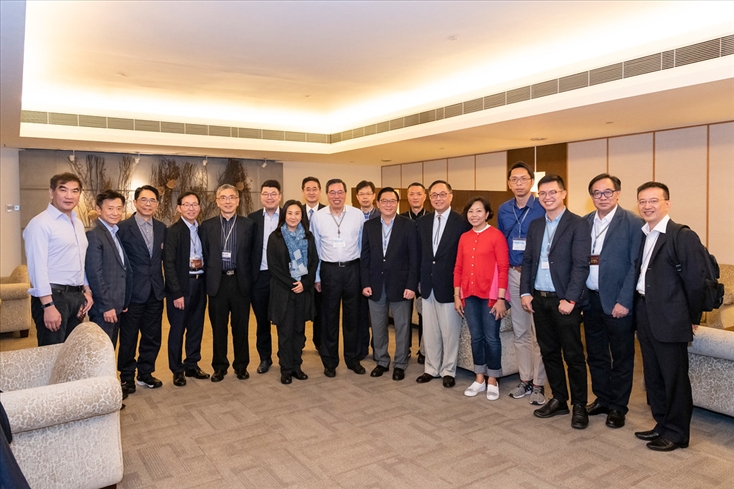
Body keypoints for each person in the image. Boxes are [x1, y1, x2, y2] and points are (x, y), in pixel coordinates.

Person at [633, 182, 707, 452]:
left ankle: (677, 433)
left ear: (667, 203)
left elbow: (696, 282)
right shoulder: (644, 234)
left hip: (671, 317)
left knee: (674, 377)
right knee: (653, 375)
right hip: (645, 312)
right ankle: (662, 424)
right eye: (642, 201)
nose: (647, 206)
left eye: (653, 200)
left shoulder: (681, 235)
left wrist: (692, 317)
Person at [520, 174, 590, 429]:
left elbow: (581, 265)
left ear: (563, 194)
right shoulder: (536, 225)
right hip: (540, 299)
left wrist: (570, 298)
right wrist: (525, 292)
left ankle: (579, 404)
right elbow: (528, 260)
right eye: (543, 193)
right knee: (548, 352)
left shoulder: (578, 224)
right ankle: (559, 399)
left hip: (564, 302)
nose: (547, 197)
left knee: (573, 355)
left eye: (553, 192)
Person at [582, 174, 642, 429]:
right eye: (597, 193)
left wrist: (625, 301)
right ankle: (603, 399)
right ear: (592, 197)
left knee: (622, 357)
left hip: (618, 302)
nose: (602, 197)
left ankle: (618, 406)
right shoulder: (585, 222)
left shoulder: (632, 222)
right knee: (595, 354)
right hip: (591, 300)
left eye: (607, 192)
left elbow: (635, 265)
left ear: (617, 193)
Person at [497, 162, 547, 405]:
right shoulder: (504, 209)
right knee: (520, 331)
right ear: (509, 183)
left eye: (523, 179)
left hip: (537, 276)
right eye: (514, 179)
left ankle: (539, 383)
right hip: (513, 274)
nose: (519, 183)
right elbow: (500, 244)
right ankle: (525, 379)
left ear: (531, 182)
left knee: (539, 334)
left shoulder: (542, 206)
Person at [24, 172, 93, 346]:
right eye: (63, 190)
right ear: (51, 193)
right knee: (52, 354)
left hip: (77, 296)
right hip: (54, 297)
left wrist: (87, 290)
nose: (69, 196)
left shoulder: (77, 223)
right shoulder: (40, 224)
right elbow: (37, 268)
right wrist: (48, 306)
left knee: (71, 352)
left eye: (75, 191)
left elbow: (80, 260)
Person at [415, 180, 471, 388]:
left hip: (450, 286)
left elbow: (464, 257)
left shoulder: (461, 222)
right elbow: (419, 254)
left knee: (449, 332)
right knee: (430, 331)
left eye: (442, 194)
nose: (438, 198)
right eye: (434, 195)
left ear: (451, 196)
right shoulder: (422, 222)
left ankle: (448, 370)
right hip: (427, 284)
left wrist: (461, 287)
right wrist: (418, 280)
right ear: (429, 198)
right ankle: (431, 368)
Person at [361, 187, 419, 381]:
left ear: (397, 203)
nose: (388, 204)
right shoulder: (369, 226)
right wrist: (365, 282)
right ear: (378, 203)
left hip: (401, 285)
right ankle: (382, 361)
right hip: (375, 284)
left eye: (392, 201)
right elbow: (365, 257)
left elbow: (414, 258)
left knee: (402, 326)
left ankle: (400, 363)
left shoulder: (408, 225)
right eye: (384, 201)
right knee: (378, 326)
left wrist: (411, 285)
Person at [454, 197, 510, 400]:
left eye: (479, 211)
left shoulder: (496, 236)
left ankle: (493, 379)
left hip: (491, 296)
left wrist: (501, 298)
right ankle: (479, 378)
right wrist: (457, 295)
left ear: (487, 214)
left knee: (491, 338)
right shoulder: (464, 237)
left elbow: (503, 268)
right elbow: (458, 267)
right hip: (469, 294)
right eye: (471, 211)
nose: (474, 215)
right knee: (475, 337)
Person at [310, 178, 366, 377]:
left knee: (353, 318)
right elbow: (315, 248)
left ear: (345, 194)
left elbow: (363, 245)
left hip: (353, 269)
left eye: (340, 192)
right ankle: (329, 362)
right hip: (329, 271)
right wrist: (317, 276)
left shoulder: (357, 215)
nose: (336, 196)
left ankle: (353, 359)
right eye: (332, 192)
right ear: (327, 195)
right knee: (328, 318)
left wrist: (363, 275)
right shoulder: (318, 217)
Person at [200, 184, 255, 382]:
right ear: (217, 201)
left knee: (241, 327)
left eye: (232, 197)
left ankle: (241, 366)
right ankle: (220, 367)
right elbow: (205, 254)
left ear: (238, 201)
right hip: (218, 282)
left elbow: (253, 255)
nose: (228, 201)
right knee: (218, 328)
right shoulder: (207, 226)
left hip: (240, 281)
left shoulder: (249, 225)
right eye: (223, 197)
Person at [117, 185, 166, 394]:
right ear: (135, 202)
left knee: (152, 336)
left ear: (157, 204)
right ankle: (126, 377)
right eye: (144, 200)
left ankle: (145, 373)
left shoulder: (162, 228)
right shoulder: (122, 228)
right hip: (133, 293)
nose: (148, 204)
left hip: (156, 291)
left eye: (152, 200)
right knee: (129, 337)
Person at [267, 200, 319, 384]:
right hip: (284, 292)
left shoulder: (308, 236)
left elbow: (314, 262)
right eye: (289, 213)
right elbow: (273, 266)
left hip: (303, 291)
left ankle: (297, 366)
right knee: (285, 332)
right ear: (284, 215)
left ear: (301, 216)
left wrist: (304, 283)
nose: (293, 217)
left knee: (299, 331)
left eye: (297, 213)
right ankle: (286, 369)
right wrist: (292, 283)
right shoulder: (275, 237)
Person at [164, 192, 210, 387]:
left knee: (196, 327)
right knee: (177, 329)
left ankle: (192, 364)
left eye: (194, 204)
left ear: (199, 207)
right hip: (183, 286)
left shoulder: (203, 229)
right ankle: (177, 370)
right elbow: (169, 264)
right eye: (186, 204)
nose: (191, 208)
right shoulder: (173, 231)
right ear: (179, 208)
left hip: (200, 283)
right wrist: (177, 292)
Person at [85, 189, 133, 346]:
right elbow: (94, 273)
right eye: (110, 208)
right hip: (104, 308)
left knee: (110, 349)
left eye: (119, 208)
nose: (115, 213)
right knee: (101, 351)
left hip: (116, 304)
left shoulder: (114, 232)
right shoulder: (94, 235)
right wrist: (106, 306)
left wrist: (123, 301)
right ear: (98, 210)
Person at [248, 180, 282, 374]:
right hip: (259, 277)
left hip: (282, 279)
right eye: (266, 194)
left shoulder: (288, 216)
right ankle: (265, 358)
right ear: (261, 196)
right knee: (262, 322)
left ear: (279, 196)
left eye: (273, 194)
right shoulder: (252, 219)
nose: (269, 197)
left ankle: (285, 357)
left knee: (283, 320)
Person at [400, 182, 428, 364]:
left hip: (425, 272)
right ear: (407, 197)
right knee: (404, 314)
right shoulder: (400, 219)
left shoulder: (431, 218)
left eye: (419, 194)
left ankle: (424, 350)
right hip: (405, 273)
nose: (415, 197)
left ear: (425, 196)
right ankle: (405, 349)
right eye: (411, 194)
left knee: (425, 314)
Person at [301, 176, 326, 350]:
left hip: (322, 268)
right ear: (303, 191)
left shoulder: (328, 211)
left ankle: (320, 342)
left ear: (320, 191)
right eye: (308, 189)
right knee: (299, 307)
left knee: (321, 308)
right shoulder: (295, 211)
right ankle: (299, 342)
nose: (311, 192)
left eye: (314, 189)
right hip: (300, 269)